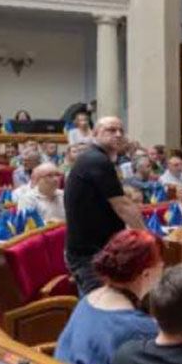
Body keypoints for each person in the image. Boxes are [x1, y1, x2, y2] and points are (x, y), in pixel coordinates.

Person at [54, 230, 163, 364]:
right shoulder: (140, 329)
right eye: (161, 264)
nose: (163, 267)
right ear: (146, 274)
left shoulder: (87, 300)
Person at [64, 116, 144, 294]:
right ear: (95, 133)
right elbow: (122, 205)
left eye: (121, 130)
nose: (118, 134)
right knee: (99, 304)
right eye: (111, 130)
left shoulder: (99, 159)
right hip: (89, 255)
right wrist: (147, 238)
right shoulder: (95, 159)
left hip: (100, 250)